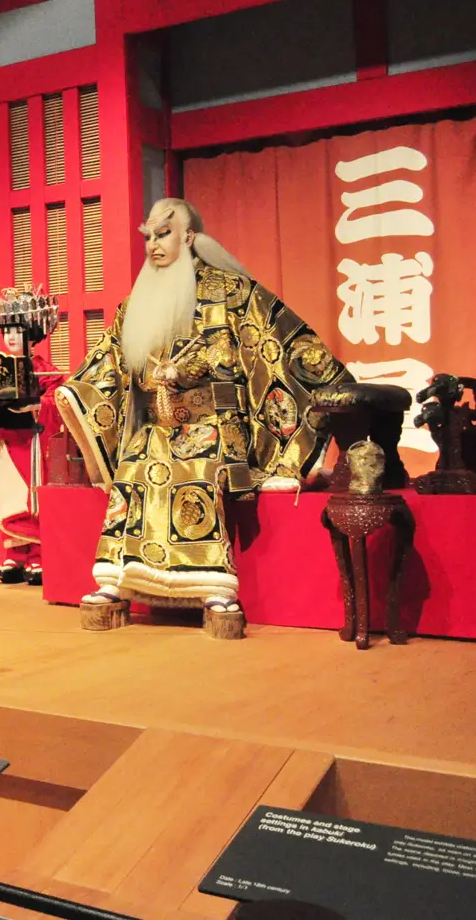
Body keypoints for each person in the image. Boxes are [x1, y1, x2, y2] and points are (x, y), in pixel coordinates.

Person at [54, 199, 348, 628]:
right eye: (150, 236)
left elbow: (272, 343)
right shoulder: (136, 302)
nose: (154, 244)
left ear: (189, 237)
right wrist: (76, 393)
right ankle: (118, 577)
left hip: (213, 424)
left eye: (165, 234)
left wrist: (194, 368)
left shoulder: (230, 292)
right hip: (157, 424)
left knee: (194, 465)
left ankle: (212, 584)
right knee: (135, 466)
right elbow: (109, 361)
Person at [0, 287, 65, 585]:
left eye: (17, 330)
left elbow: (59, 400)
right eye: (6, 330)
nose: (10, 336)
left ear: (32, 333)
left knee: (32, 498)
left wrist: (38, 405)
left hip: (33, 442)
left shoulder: (45, 370)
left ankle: (38, 555)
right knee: (10, 499)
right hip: (6, 442)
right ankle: (15, 555)